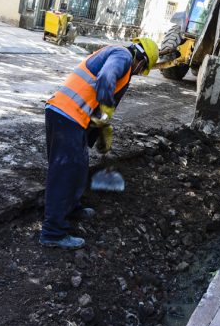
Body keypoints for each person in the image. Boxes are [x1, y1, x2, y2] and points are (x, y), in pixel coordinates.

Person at [40, 38, 159, 249]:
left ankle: (71, 208)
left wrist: (97, 131)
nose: (139, 73)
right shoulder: (122, 56)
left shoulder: (118, 56)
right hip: (66, 115)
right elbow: (105, 78)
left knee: (79, 166)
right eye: (142, 70)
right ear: (140, 60)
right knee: (64, 174)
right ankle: (52, 232)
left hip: (72, 117)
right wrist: (106, 109)